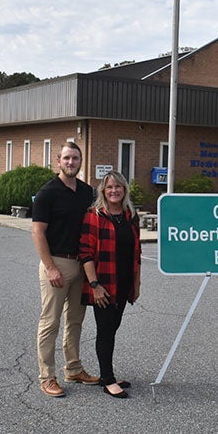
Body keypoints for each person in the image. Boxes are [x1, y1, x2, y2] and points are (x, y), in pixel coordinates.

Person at [32, 142, 100, 397]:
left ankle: (73, 368)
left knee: (75, 320)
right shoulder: (47, 193)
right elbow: (38, 232)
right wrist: (50, 268)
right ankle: (47, 376)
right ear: (58, 161)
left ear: (81, 162)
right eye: (67, 158)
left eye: (75, 158)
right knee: (50, 322)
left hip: (81, 265)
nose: (71, 162)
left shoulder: (87, 192)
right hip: (56, 263)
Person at [79, 171, 141, 399]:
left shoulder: (131, 216)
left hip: (123, 283)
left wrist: (137, 283)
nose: (114, 191)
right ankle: (108, 379)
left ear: (124, 190)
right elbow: (85, 253)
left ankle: (108, 373)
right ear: (102, 192)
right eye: (109, 188)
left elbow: (137, 253)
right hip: (103, 285)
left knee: (112, 329)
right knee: (105, 331)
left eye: (118, 187)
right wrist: (94, 285)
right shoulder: (94, 215)